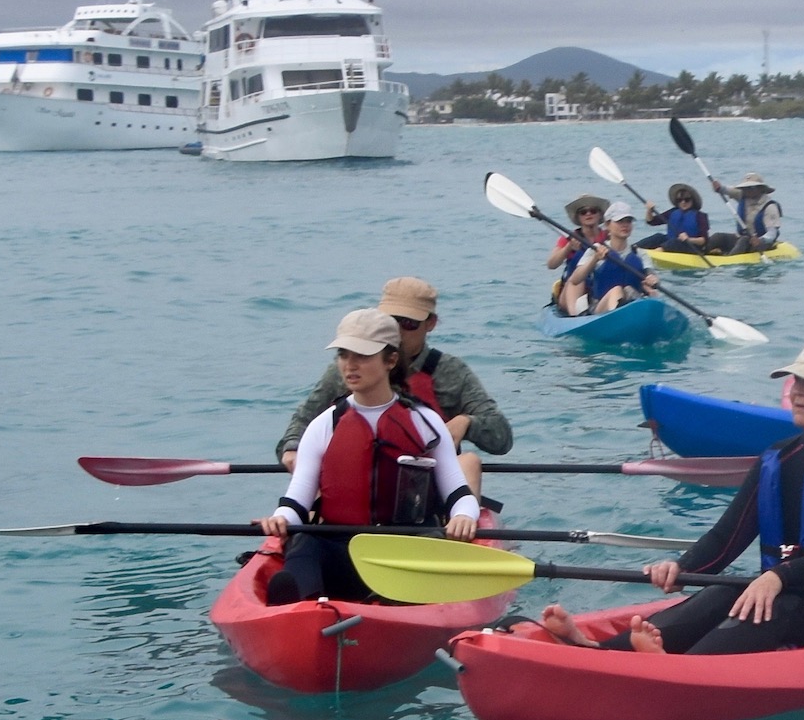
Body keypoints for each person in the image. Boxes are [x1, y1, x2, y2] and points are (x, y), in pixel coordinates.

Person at [537, 337, 804, 655]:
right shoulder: (778, 456)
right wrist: (683, 567)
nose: (799, 392)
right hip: (790, 587)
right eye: (796, 381)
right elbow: (727, 538)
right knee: (728, 591)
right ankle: (597, 650)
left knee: (777, 605)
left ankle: (675, 671)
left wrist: (779, 575)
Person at [257, 310, 479, 605]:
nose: (350, 365)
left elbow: (458, 493)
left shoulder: (425, 422)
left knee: (430, 544)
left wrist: (464, 515)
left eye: (362, 356)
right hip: (341, 547)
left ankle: (396, 603)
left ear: (390, 360)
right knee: (306, 542)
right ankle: (298, 605)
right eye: (343, 355)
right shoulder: (325, 425)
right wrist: (280, 520)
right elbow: (297, 499)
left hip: (405, 547)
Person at [276, 278, 513, 499]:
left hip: (427, 489)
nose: (397, 332)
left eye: (408, 323)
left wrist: (467, 423)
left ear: (430, 323)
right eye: (390, 321)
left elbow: (502, 439)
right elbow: (302, 422)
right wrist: (293, 449)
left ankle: (458, 530)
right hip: (356, 482)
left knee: (469, 461)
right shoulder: (347, 370)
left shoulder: (451, 372)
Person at [561, 203, 660, 314]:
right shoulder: (596, 249)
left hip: (632, 304)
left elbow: (650, 274)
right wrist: (594, 259)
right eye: (620, 221)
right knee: (616, 291)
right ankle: (618, 317)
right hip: (600, 308)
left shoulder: (639, 253)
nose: (625, 225)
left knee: (648, 294)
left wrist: (652, 279)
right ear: (608, 225)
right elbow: (575, 280)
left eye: (628, 221)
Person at [709, 172, 784, 254]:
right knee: (718, 236)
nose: (747, 190)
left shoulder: (770, 207)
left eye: (751, 187)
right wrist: (718, 187)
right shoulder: (742, 195)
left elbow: (772, 233)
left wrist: (760, 240)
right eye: (745, 188)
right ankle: (701, 252)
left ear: (761, 188)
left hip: (759, 243)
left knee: (744, 240)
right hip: (740, 238)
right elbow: (725, 190)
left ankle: (730, 259)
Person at [546, 192, 611, 279]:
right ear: (578, 217)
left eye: (593, 211)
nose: (588, 214)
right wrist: (568, 247)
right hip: (575, 284)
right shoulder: (569, 238)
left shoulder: (608, 235)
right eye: (583, 212)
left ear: (600, 215)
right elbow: (551, 264)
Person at [639, 183, 710, 252]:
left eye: (687, 199)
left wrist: (689, 239)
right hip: (671, 243)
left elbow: (704, 240)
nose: (683, 202)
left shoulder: (700, 216)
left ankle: (655, 253)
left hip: (691, 247)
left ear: (692, 200)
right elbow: (651, 221)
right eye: (680, 200)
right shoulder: (672, 212)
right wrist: (649, 210)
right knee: (658, 236)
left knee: (675, 241)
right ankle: (634, 249)